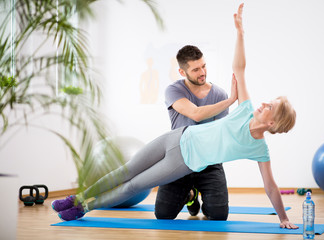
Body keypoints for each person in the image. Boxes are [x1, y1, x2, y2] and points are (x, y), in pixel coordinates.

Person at [52, 3, 298, 229]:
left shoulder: (259, 149)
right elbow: (239, 68)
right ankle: (77, 197)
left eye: (271, 106)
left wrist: (283, 218)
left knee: (136, 185)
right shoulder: (245, 109)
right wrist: (240, 34)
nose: (264, 102)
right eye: (269, 100)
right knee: (125, 171)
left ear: (271, 123)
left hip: (184, 161)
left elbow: (270, 186)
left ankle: (83, 208)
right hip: (176, 137)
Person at [155, 45, 233, 220]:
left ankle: (200, 192)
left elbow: (221, 133)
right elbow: (195, 113)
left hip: (208, 160)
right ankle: (190, 196)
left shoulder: (220, 94)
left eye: (204, 66)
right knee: (162, 214)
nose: (202, 72)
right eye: (196, 69)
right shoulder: (174, 90)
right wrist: (231, 101)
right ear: (182, 72)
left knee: (219, 215)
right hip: (178, 158)